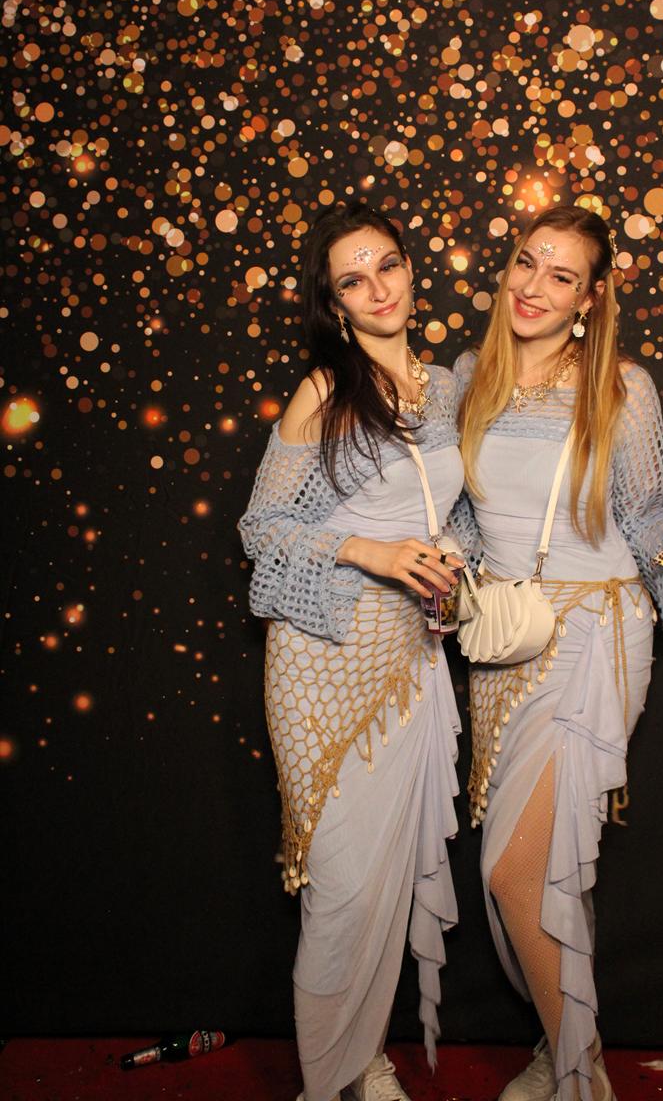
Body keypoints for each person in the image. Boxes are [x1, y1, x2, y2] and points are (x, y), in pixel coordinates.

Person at [454, 205, 663, 1101]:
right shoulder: (469, 378)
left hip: (593, 636)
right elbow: (457, 516)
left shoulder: (621, 387)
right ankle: (565, 1048)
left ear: (590, 298)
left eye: (562, 276)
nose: (535, 287)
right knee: (544, 869)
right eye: (527, 263)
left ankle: (579, 1078)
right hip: (504, 640)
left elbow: (650, 515)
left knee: (516, 870)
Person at [238, 202, 466, 1101]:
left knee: (384, 884)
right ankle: (325, 1082)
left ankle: (363, 1056)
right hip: (322, 664)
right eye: (352, 280)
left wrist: (452, 563)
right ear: (334, 304)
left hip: (410, 660)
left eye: (388, 266)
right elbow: (262, 528)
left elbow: (451, 511)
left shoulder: (442, 387)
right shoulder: (324, 392)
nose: (377, 289)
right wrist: (369, 550)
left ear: (410, 269)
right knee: (339, 891)